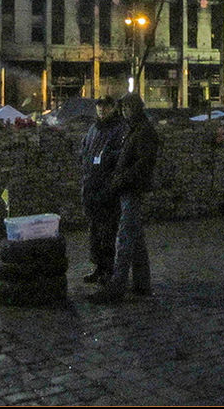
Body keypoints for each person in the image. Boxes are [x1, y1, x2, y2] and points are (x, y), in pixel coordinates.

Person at [87, 93, 159, 304]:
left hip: (132, 189)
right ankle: (141, 283)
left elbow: (142, 165)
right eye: (124, 108)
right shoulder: (134, 130)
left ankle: (117, 285)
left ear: (136, 108)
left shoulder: (143, 132)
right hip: (127, 188)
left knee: (125, 238)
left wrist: (121, 178)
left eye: (128, 107)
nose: (125, 111)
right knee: (135, 239)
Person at [79, 96, 127, 285]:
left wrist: (106, 158)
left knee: (108, 231)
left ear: (112, 108)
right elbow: (84, 150)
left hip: (107, 187)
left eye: (105, 108)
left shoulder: (118, 129)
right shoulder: (93, 129)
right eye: (99, 108)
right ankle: (98, 266)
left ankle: (109, 269)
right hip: (91, 185)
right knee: (95, 231)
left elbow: (119, 155)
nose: (101, 111)